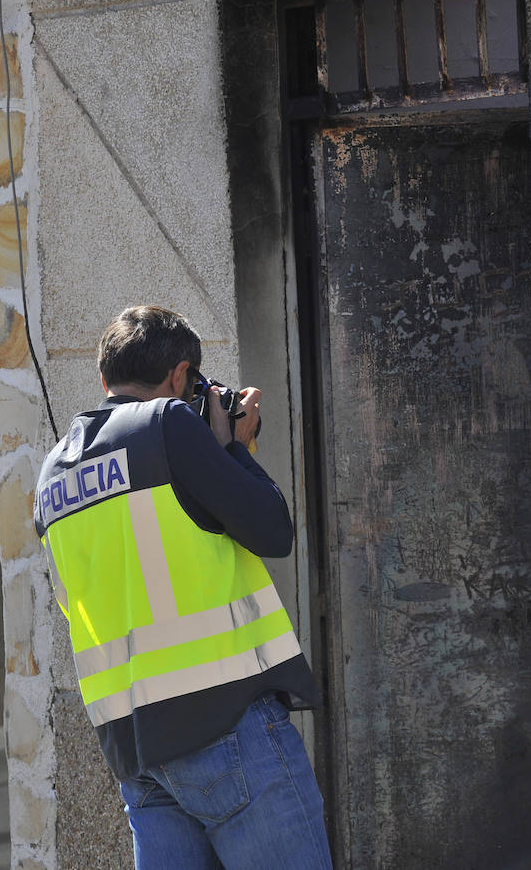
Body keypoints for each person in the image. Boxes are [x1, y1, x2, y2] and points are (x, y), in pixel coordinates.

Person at [34, 305, 332, 869]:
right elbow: (272, 528)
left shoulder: (54, 472)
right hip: (223, 723)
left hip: (139, 750)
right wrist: (234, 447)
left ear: (104, 381)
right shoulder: (168, 423)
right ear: (179, 375)